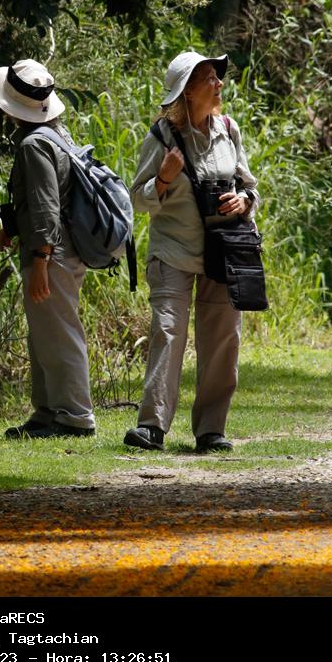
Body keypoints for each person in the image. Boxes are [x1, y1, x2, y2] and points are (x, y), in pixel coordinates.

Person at [124, 50, 260, 453]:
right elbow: (137, 199)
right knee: (168, 333)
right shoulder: (161, 137)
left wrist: (244, 201)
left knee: (223, 340)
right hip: (172, 254)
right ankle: (151, 427)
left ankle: (211, 431)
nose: (219, 83)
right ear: (187, 91)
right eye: (210, 78)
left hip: (224, 253)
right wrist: (163, 180)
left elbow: (250, 186)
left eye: (217, 76)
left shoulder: (229, 130)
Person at [0, 58, 95, 439]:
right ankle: (47, 411)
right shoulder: (56, 134)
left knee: (59, 333)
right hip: (63, 248)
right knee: (45, 333)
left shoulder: (33, 144)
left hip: (52, 253)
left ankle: (75, 417)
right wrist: (13, 227)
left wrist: (42, 259)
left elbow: (47, 205)